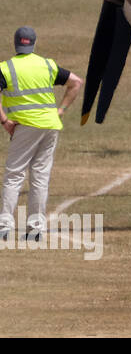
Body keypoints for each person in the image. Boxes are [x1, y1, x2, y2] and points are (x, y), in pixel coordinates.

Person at [0, 27, 82, 241]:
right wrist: (61, 110)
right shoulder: (47, 64)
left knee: (14, 174)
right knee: (40, 176)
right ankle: (35, 228)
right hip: (50, 125)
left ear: (15, 43)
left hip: (25, 125)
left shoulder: (6, 68)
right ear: (33, 44)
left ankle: (4, 225)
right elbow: (76, 82)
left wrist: (5, 121)